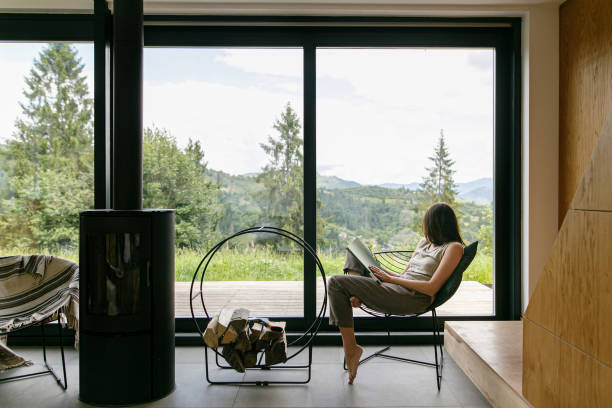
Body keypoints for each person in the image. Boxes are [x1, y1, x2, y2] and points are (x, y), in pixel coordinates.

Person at [327, 202, 464, 384]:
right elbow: (404, 274)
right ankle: (357, 295)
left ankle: (351, 348)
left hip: (411, 297)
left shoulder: (453, 248)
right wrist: (383, 274)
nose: (424, 229)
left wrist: (391, 280)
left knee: (335, 282)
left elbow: (431, 287)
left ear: (436, 224)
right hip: (396, 287)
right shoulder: (424, 243)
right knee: (356, 249)